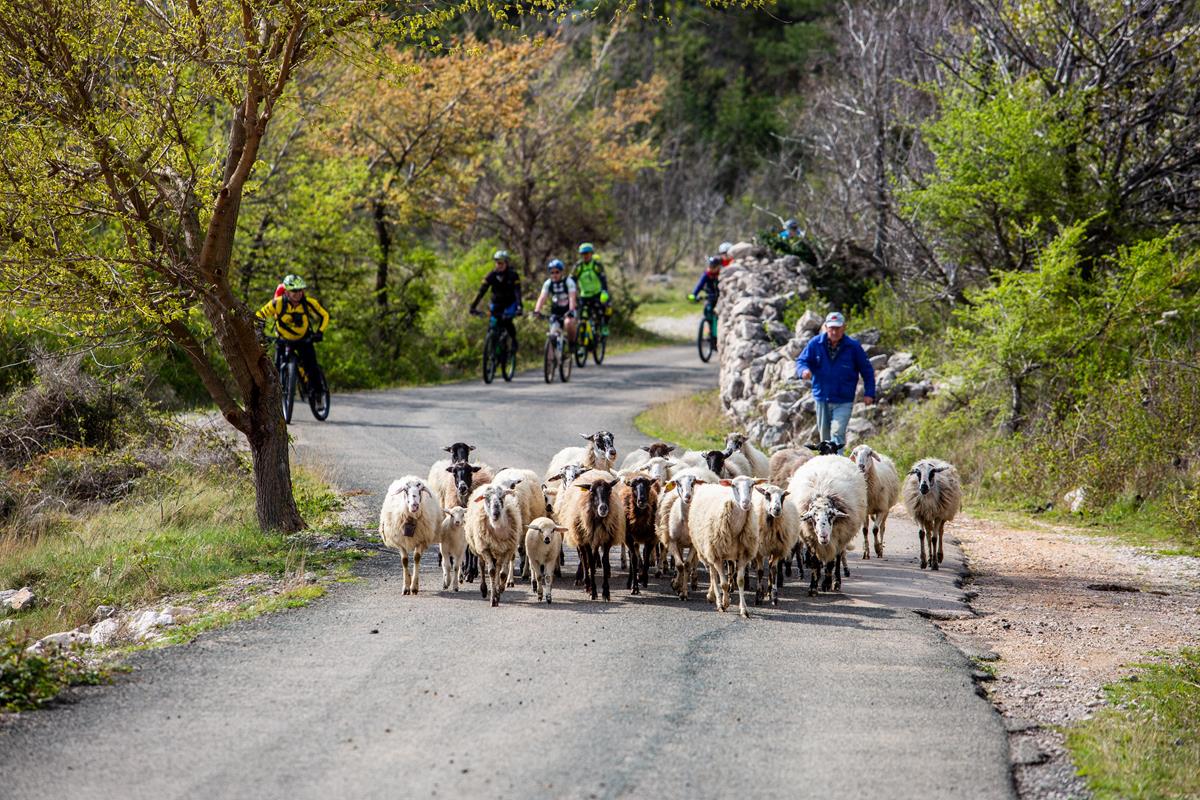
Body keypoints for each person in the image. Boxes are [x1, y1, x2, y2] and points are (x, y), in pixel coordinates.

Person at [795, 311, 875, 453]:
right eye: (831, 328)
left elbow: (867, 370)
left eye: (837, 328)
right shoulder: (815, 343)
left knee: (838, 433)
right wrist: (804, 371)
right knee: (825, 438)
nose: (834, 331)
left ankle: (839, 463)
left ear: (844, 327)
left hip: (844, 399)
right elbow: (802, 361)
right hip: (822, 398)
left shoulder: (853, 347)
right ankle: (827, 463)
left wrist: (869, 393)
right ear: (826, 327)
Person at [256, 273, 330, 386]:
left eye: (300, 290)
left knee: (311, 367)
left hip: (304, 339)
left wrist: (320, 331)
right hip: (283, 340)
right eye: (294, 290)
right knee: (276, 368)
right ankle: (279, 391)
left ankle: (317, 392)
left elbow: (325, 315)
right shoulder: (277, 303)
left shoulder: (309, 303)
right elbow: (259, 315)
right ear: (286, 291)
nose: (298, 293)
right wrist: (259, 331)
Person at [469, 249, 523, 353]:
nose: (499, 265)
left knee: (507, 321)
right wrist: (473, 306)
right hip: (496, 303)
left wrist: (519, 306)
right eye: (497, 263)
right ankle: (492, 348)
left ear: (506, 263)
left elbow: (517, 292)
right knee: (493, 324)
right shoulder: (491, 275)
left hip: (510, 303)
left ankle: (513, 340)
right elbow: (481, 292)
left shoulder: (513, 275)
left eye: (502, 263)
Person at [533, 258, 578, 344]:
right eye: (552, 272)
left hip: (568, 309)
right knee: (552, 334)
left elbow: (572, 297)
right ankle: (552, 351)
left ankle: (572, 344)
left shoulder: (569, 282)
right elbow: (542, 297)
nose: (554, 275)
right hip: (556, 311)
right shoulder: (548, 283)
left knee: (568, 323)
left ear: (561, 272)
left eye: (557, 272)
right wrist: (537, 310)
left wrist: (571, 310)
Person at [572, 243, 610, 337]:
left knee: (606, 309)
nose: (585, 256)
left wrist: (604, 292)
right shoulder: (578, 267)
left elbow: (603, 279)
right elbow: (572, 281)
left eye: (587, 253)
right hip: (584, 295)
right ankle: (581, 337)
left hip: (597, 294)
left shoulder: (596, 265)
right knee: (581, 316)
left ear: (591, 254)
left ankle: (604, 326)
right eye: (583, 254)